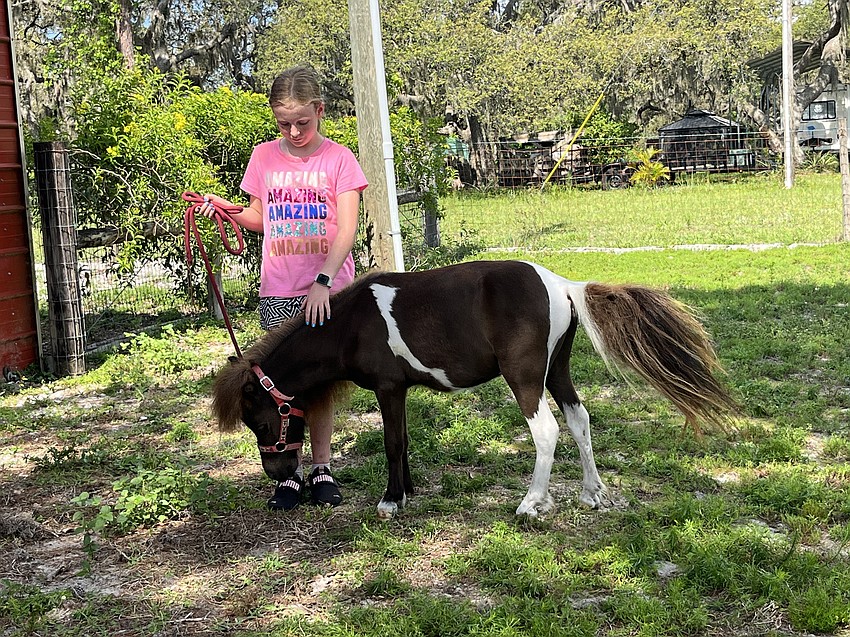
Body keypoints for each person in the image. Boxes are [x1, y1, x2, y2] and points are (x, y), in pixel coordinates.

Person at [197, 65, 368, 511]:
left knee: (321, 385)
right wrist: (226, 210)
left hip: (329, 291)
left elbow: (347, 230)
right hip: (279, 288)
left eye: (302, 122)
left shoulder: (339, 159)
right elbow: (260, 219)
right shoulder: (263, 158)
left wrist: (324, 282)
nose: (293, 131)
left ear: (320, 110)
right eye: (283, 123)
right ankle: (288, 472)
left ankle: (323, 467)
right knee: (282, 388)